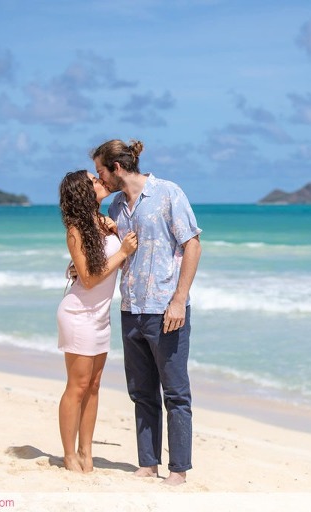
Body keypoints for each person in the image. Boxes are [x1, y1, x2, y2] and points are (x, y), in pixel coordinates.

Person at [92, 138, 202, 486]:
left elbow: (192, 245)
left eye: (100, 172)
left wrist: (179, 299)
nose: (100, 180)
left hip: (165, 308)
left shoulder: (168, 193)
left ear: (117, 169)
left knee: (175, 392)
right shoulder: (116, 209)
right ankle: (147, 463)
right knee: (141, 391)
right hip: (130, 307)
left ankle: (179, 470)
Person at [56, 170, 138, 473]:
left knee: (93, 386)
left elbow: (89, 267)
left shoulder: (104, 223)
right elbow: (89, 279)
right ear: (82, 193)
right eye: (93, 180)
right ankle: (68, 456)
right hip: (79, 314)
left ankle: (86, 453)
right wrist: (123, 252)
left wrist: (117, 236)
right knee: (76, 387)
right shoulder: (76, 229)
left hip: (100, 316)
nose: (100, 181)